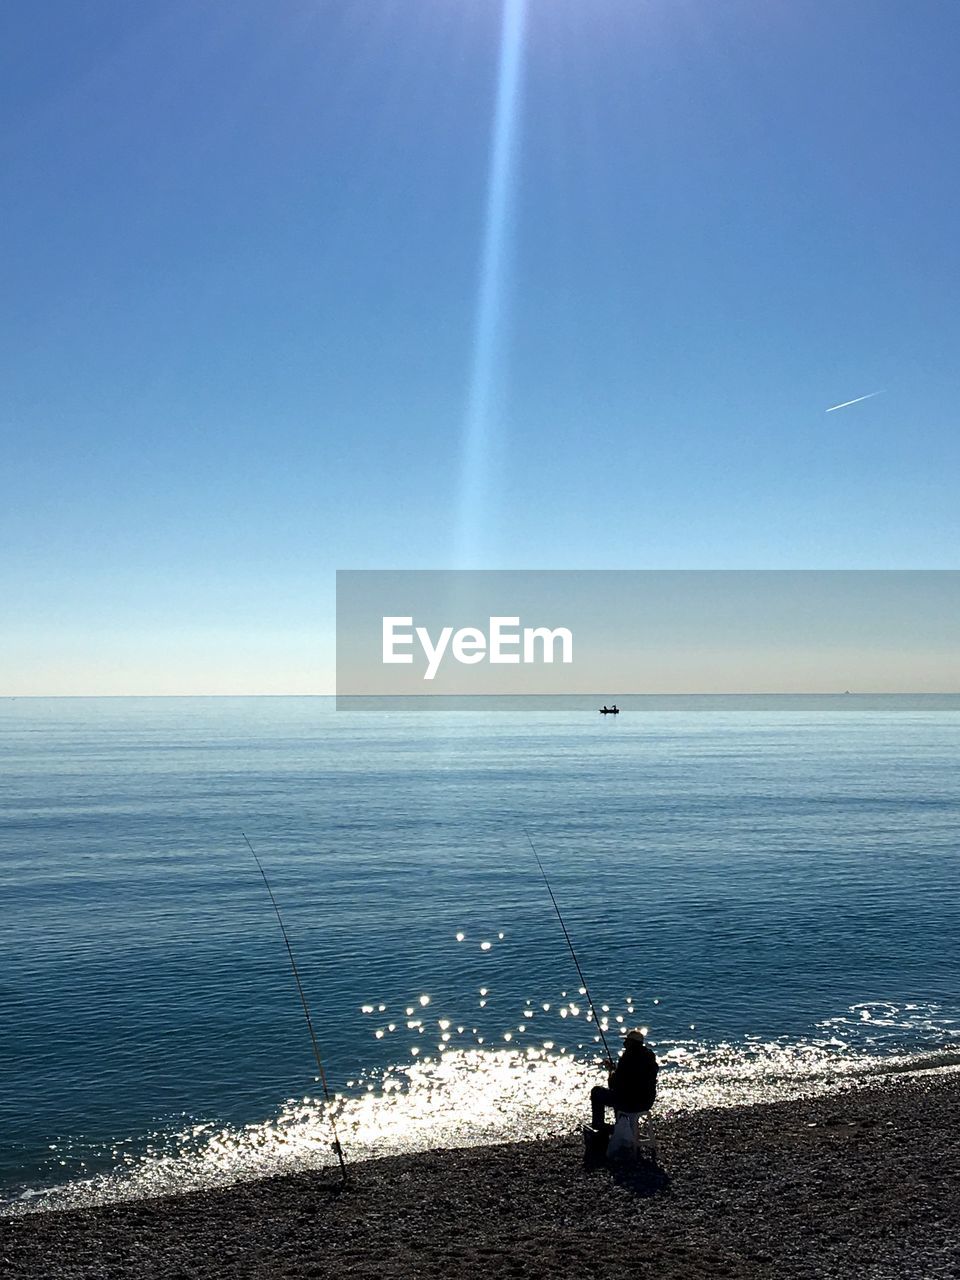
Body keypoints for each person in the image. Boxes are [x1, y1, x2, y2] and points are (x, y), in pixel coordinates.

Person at [590, 1027, 658, 1133]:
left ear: (632, 1043)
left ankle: (599, 1124)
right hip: (646, 1102)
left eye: (626, 1041)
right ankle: (621, 1125)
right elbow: (631, 1078)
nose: (624, 1043)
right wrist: (616, 1071)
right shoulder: (649, 1057)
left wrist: (611, 1071)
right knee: (622, 1094)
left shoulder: (627, 1058)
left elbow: (613, 1084)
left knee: (596, 1092)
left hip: (631, 1103)